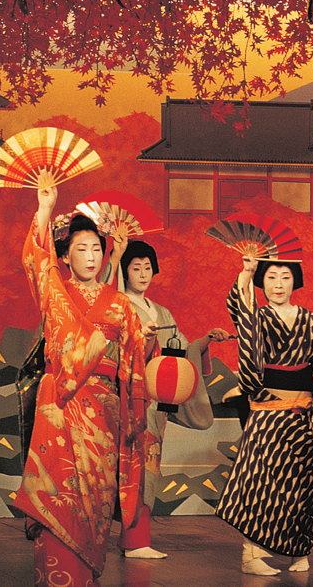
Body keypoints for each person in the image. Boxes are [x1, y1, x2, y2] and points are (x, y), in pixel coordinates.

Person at [13, 186, 148, 587]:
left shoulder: (120, 304)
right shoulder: (56, 291)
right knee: (60, 494)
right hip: (60, 406)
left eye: (95, 249)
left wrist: (132, 418)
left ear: (104, 254)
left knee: (95, 500)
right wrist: (45, 208)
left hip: (103, 413)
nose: (90, 257)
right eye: (81, 249)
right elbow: (35, 261)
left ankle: (85, 576)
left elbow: (134, 364)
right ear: (66, 255)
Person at [106, 239, 232, 558]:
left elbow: (181, 350)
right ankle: (132, 539)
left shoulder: (161, 312)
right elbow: (110, 351)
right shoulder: (117, 306)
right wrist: (142, 343)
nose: (144, 273)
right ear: (124, 271)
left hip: (154, 403)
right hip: (128, 399)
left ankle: (136, 539)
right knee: (129, 469)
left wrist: (204, 342)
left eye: (148, 267)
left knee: (150, 469)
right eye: (136, 267)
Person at [216, 254, 313, 576]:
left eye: (285, 277)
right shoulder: (258, 317)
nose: (278, 284)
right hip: (267, 410)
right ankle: (251, 554)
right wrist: (246, 271)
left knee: (298, 484)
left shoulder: (308, 318)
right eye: (270, 277)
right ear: (261, 283)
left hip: (302, 412)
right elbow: (240, 312)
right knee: (259, 481)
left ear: (295, 281)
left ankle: (298, 549)